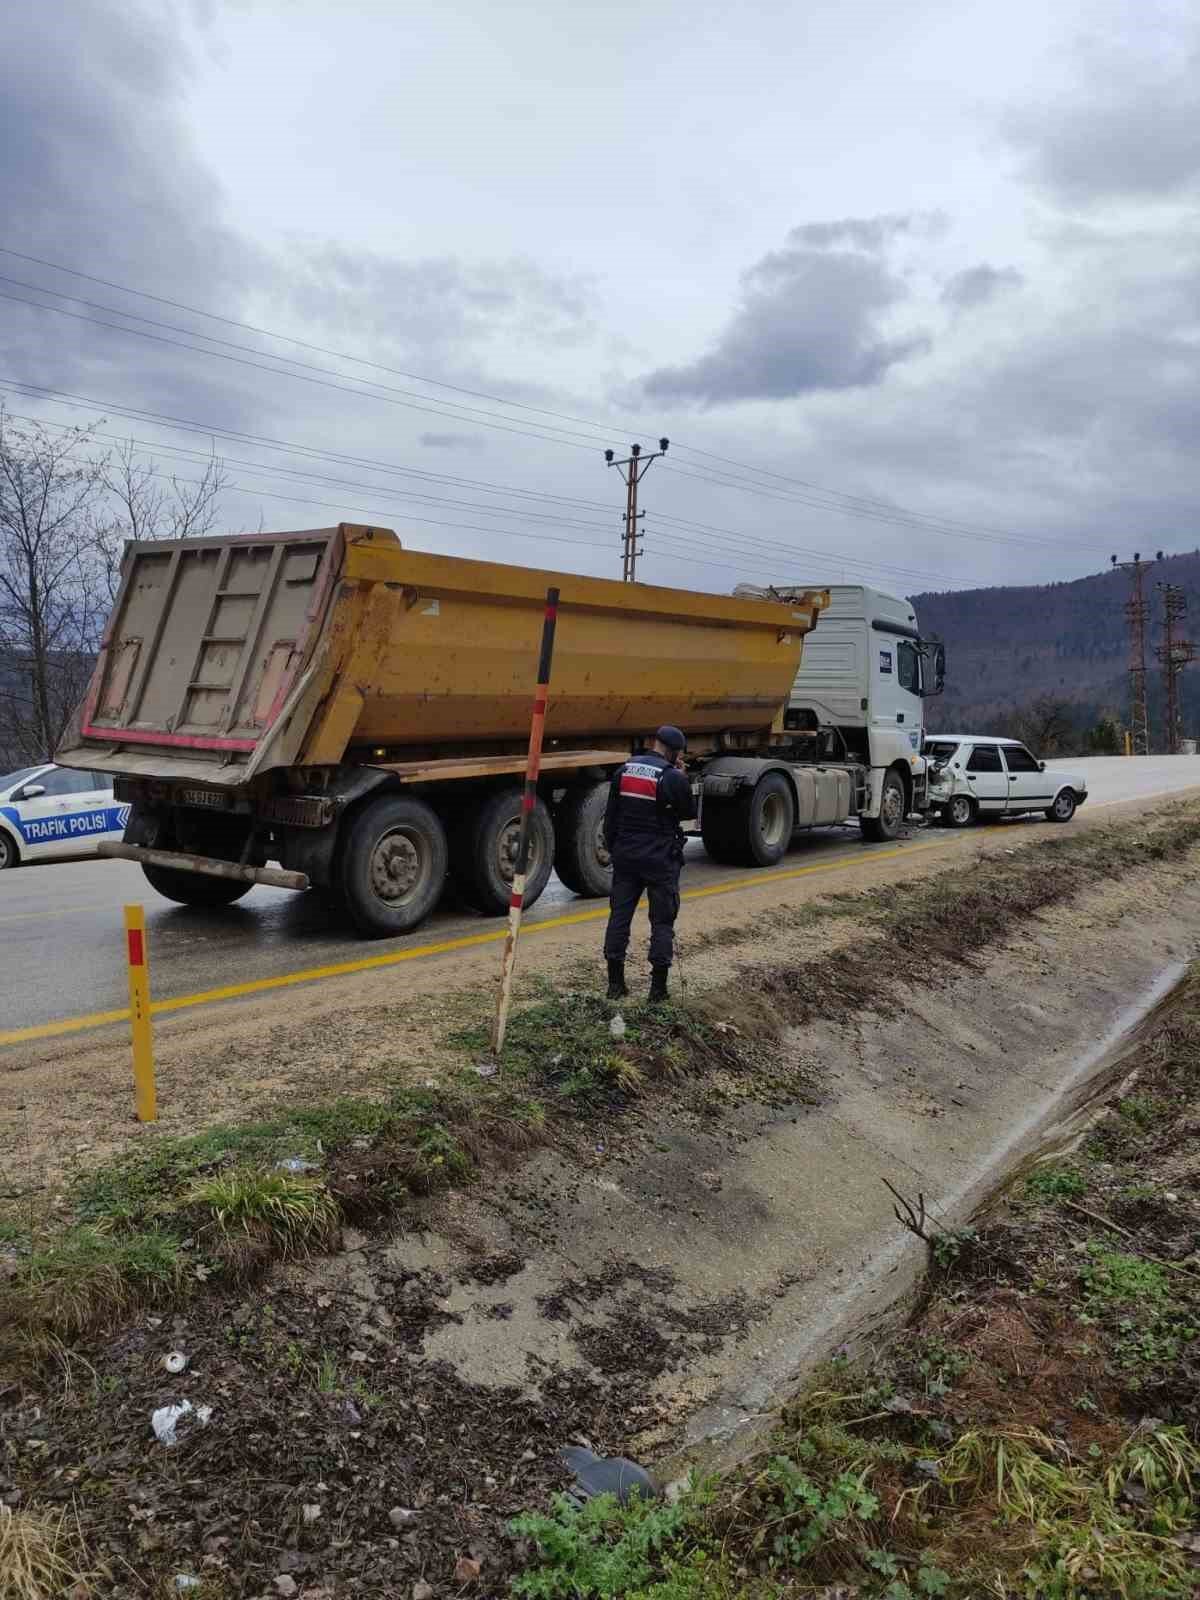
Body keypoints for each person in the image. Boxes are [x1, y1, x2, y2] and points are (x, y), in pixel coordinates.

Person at [602, 725, 696, 1004]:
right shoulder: (672, 778)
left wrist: (615, 849)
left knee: (619, 917)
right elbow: (688, 813)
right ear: (674, 751)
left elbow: (611, 818)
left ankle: (615, 985)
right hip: (660, 858)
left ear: (655, 743)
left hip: (626, 857)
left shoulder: (624, 771)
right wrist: (683, 778)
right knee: (662, 922)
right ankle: (657, 990)